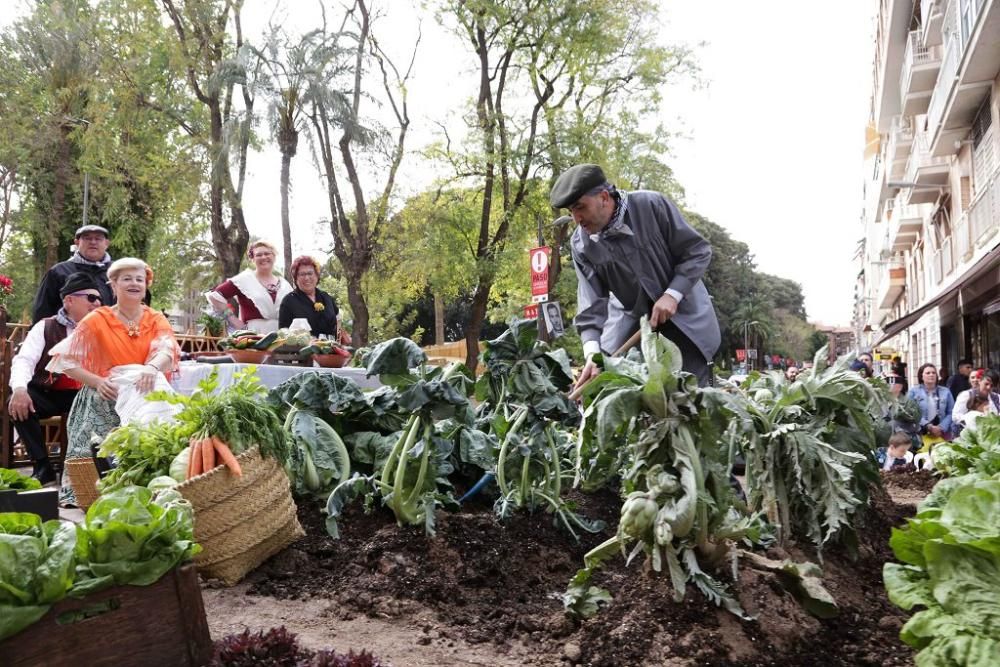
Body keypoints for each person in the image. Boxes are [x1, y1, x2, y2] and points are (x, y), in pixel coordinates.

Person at [552, 164, 720, 388]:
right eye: (571, 212)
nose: (577, 219)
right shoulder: (581, 245)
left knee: (690, 399)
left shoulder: (651, 205)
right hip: (632, 331)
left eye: (580, 207)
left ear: (603, 197)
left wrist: (672, 294)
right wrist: (593, 353)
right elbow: (590, 304)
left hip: (685, 321)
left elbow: (697, 251)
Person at [46, 258, 180, 506]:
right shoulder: (98, 318)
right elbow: (64, 360)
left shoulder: (155, 318)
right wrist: (97, 381)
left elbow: (167, 350)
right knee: (99, 442)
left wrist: (151, 367)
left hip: (143, 391)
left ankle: (145, 491)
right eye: (127, 278)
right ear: (113, 284)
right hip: (104, 393)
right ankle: (89, 493)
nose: (134, 283)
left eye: (140, 279)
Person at [7, 273, 104, 484]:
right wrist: (20, 390)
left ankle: (91, 470)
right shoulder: (46, 326)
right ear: (69, 300)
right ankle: (42, 466)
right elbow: (24, 360)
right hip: (47, 393)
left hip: (84, 395)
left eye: (99, 299)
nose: (97, 303)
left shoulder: (103, 330)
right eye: (90, 298)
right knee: (18, 403)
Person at [32, 225, 115, 323]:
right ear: (77, 242)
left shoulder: (118, 271)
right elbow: (43, 309)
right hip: (68, 334)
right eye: (87, 238)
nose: (93, 242)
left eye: (98, 238)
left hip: (112, 333)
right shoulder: (59, 271)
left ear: (106, 243)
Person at [206, 241, 292, 334]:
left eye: (267, 253)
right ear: (253, 259)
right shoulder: (244, 279)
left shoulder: (284, 284)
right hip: (253, 335)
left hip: (281, 336)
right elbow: (214, 296)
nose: (263, 257)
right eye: (259, 255)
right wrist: (234, 320)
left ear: (274, 256)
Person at [277, 255, 339, 337]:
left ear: (317, 276)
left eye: (310, 273)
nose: (307, 278)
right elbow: (283, 334)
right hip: (301, 349)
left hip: (331, 347)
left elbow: (338, 323)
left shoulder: (326, 297)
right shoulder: (288, 301)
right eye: (302, 274)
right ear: (296, 278)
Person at [906, 363, 955, 448]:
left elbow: (951, 412)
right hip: (920, 433)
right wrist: (928, 426)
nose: (931, 375)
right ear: (921, 376)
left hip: (942, 434)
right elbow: (910, 412)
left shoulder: (946, 391)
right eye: (928, 373)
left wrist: (941, 427)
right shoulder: (913, 392)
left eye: (933, 373)